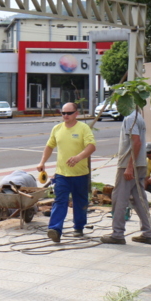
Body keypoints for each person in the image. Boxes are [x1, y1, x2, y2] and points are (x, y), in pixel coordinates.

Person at [37, 103, 96, 243]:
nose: (65, 116)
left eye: (69, 113)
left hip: (80, 174)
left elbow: (91, 146)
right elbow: (49, 146)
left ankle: (79, 227)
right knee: (60, 201)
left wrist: (78, 157)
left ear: (76, 113)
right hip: (62, 174)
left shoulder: (83, 128)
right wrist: (42, 162)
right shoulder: (57, 129)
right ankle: (55, 230)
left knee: (80, 202)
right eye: (63, 113)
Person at [101, 109, 151, 245]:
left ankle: (117, 234)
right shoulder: (138, 116)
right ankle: (148, 233)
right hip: (140, 163)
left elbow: (136, 142)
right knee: (139, 199)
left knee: (119, 198)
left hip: (129, 165)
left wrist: (130, 166)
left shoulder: (130, 118)